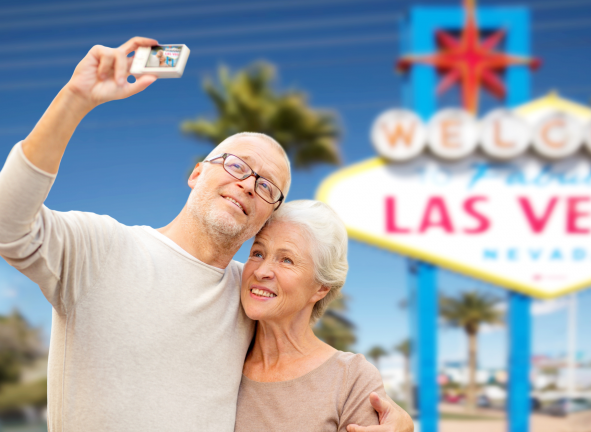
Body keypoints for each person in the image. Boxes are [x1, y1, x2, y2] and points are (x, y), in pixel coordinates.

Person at [0, 37, 413, 432]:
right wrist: (75, 99)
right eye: (236, 164)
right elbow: (8, 224)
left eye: (267, 186)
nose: (249, 184)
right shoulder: (100, 247)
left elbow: (306, 362)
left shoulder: (249, 292)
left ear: (268, 215)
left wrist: (399, 419)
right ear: (197, 172)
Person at [235, 200, 385, 431]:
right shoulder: (223, 353)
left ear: (321, 288)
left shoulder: (352, 379)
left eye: (286, 260)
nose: (261, 271)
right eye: (257, 253)